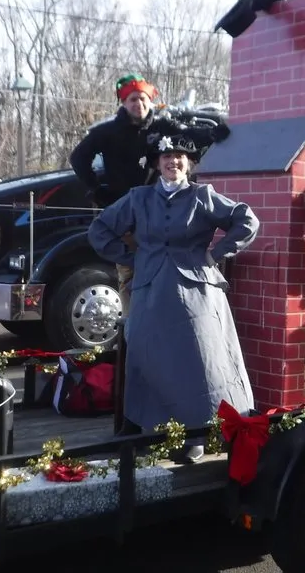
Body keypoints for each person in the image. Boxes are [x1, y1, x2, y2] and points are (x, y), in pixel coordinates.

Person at [87, 130, 259, 461]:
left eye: (180, 157)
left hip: (196, 291)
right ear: (158, 163)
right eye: (167, 157)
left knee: (198, 358)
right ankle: (149, 428)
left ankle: (197, 433)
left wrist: (217, 253)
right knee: (145, 352)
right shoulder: (139, 198)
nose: (173, 162)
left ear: (189, 164)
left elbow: (246, 220)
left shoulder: (203, 196)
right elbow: (99, 229)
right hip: (150, 288)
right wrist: (130, 257)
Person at [70, 74, 164, 305]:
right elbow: (78, 158)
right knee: (130, 272)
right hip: (125, 213)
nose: (138, 104)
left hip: (159, 212)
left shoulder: (162, 130)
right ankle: (130, 332)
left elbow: (184, 152)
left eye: (142, 98)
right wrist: (97, 190)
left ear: (150, 100)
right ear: (124, 103)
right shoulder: (108, 132)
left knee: (161, 272)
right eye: (132, 99)